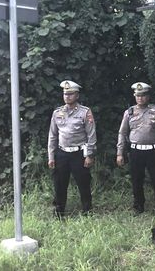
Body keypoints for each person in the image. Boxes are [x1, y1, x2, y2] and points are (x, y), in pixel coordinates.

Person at [116, 82, 155, 215]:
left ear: (148, 96)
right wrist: (119, 153)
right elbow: (122, 133)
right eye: (137, 95)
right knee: (136, 180)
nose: (140, 98)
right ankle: (138, 207)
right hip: (136, 151)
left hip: (153, 151)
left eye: (143, 95)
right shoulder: (129, 112)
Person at [48, 80, 97, 218]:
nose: (67, 96)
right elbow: (52, 135)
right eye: (65, 94)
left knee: (83, 183)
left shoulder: (85, 112)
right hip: (62, 153)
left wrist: (89, 155)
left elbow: (91, 135)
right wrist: (51, 156)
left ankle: (87, 211)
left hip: (79, 153)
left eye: (70, 94)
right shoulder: (57, 112)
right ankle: (59, 212)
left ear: (77, 95)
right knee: (59, 184)